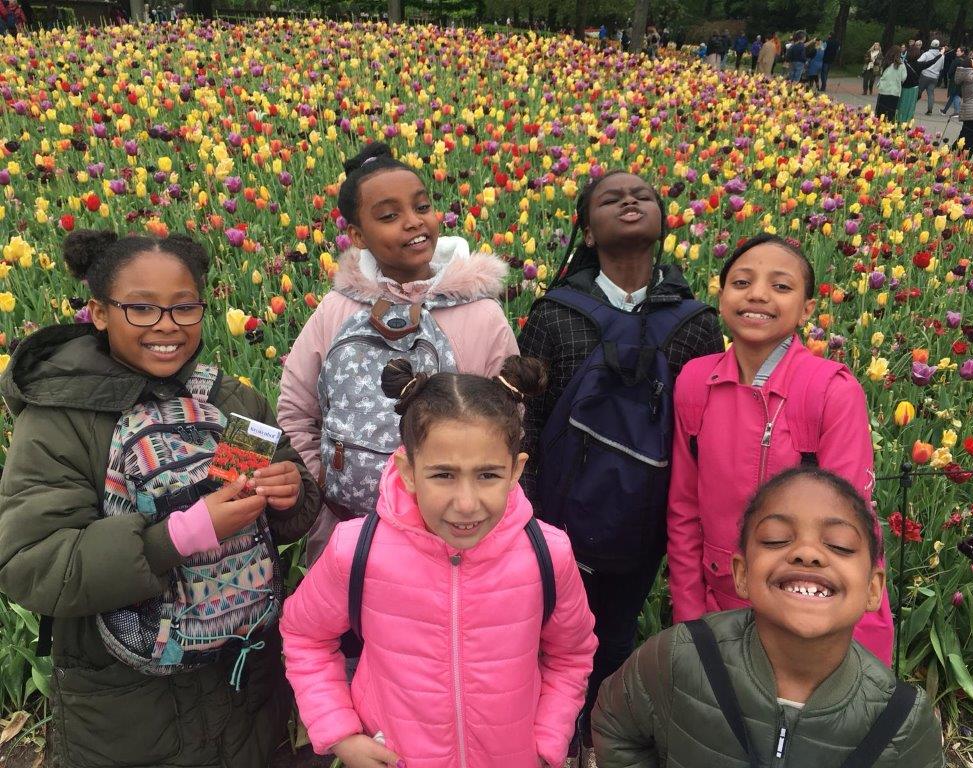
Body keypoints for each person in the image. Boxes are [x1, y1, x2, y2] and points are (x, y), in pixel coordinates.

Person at [0, 230, 321, 768]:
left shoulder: (230, 400)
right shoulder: (63, 421)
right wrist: (181, 536)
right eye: (141, 309)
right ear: (99, 313)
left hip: (243, 680)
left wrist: (289, 493)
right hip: (128, 700)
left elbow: (278, 505)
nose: (167, 325)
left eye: (183, 307)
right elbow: (31, 564)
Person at [280, 359, 598, 768]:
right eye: (443, 475)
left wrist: (545, 741)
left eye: (487, 475)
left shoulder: (547, 555)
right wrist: (339, 732)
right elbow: (306, 638)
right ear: (408, 472)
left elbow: (570, 655)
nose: (466, 503)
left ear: (516, 471)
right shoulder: (356, 549)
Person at [518, 170, 722, 764]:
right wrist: (527, 511)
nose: (630, 201)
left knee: (615, 634)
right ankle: (550, 736)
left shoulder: (695, 321)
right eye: (611, 198)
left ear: (664, 221)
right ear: (587, 227)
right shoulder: (556, 312)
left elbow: (702, 431)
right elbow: (527, 413)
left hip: (646, 518)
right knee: (553, 633)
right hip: (559, 515)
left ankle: (597, 736)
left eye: (643, 196)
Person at [593, 468, 945, 768]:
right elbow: (614, 722)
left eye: (838, 545)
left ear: (873, 588)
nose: (807, 554)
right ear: (742, 573)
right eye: (776, 539)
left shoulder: (900, 719)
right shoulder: (681, 657)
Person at [277, 141, 518, 566]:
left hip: (452, 539)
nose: (413, 222)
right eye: (389, 216)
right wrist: (321, 483)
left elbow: (510, 419)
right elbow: (297, 410)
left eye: (421, 207)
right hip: (347, 529)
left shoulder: (481, 313)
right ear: (357, 235)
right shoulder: (339, 308)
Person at [666, 234, 894, 665]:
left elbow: (849, 524)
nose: (758, 295)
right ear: (721, 295)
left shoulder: (829, 390)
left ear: (808, 309)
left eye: (781, 286)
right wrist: (689, 615)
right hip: (723, 599)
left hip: (813, 600)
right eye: (741, 282)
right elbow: (683, 510)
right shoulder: (696, 382)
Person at [875, 46, 906, 121]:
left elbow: (881, 73)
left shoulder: (885, 62)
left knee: (880, 113)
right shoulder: (901, 65)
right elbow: (903, 78)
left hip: (883, 90)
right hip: (894, 91)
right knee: (890, 113)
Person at [917, 40, 947, 115]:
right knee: (931, 93)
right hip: (934, 77)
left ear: (931, 45)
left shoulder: (926, 54)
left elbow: (919, 61)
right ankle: (930, 110)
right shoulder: (942, 56)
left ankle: (911, 105)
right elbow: (941, 67)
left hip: (925, 75)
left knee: (919, 91)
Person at [897, 42, 922, 122]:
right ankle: (907, 121)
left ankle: (898, 119)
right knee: (910, 106)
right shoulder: (919, 65)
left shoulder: (903, 64)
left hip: (903, 87)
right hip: (913, 88)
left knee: (901, 104)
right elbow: (931, 62)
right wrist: (940, 54)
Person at [940, 47, 968, 115]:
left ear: (962, 52)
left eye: (958, 51)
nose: (956, 52)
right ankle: (945, 110)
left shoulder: (956, 60)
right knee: (954, 95)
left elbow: (950, 71)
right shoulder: (966, 60)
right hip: (962, 80)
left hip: (954, 80)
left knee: (955, 95)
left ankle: (957, 112)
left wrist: (949, 77)